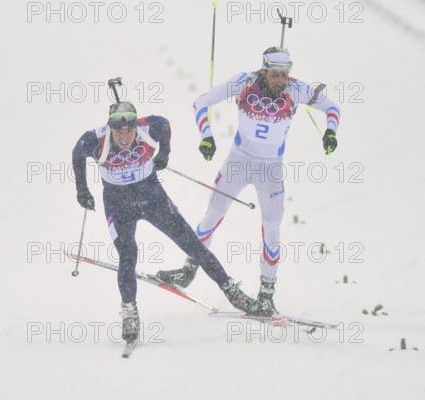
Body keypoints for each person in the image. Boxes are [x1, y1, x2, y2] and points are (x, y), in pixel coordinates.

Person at [156, 47, 341, 317]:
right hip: (238, 162)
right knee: (212, 215)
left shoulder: (297, 89)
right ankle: (187, 271)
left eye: (284, 73)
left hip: (271, 170)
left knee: (272, 228)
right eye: (275, 73)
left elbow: (332, 108)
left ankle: (266, 295)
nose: (280, 79)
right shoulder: (244, 82)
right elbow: (200, 102)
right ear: (264, 69)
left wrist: (330, 132)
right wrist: (206, 135)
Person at [72, 100, 258, 342]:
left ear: (135, 125)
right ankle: (129, 312)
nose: (125, 137)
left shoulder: (150, 128)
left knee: (192, 245)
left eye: (129, 130)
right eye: (119, 132)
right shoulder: (94, 139)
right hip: (118, 206)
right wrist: (82, 190)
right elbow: (77, 155)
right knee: (128, 254)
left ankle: (233, 293)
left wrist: (164, 154)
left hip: (153, 199)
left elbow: (166, 125)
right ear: (110, 128)